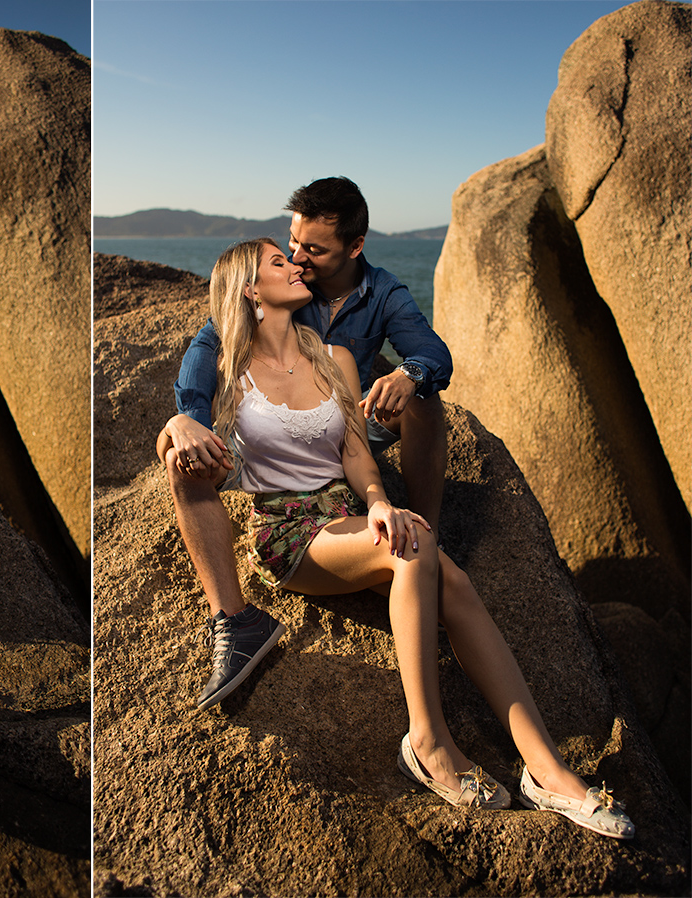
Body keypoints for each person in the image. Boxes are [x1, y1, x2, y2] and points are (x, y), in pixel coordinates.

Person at [157, 238, 634, 839]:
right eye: (279, 262)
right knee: (416, 549)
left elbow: (356, 454)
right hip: (289, 532)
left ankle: (547, 770)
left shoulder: (332, 356)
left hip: (349, 513)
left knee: (454, 585)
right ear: (251, 290)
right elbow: (180, 445)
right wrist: (177, 421)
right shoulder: (227, 365)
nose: (295, 264)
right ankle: (429, 743)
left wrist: (381, 501)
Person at [170, 176, 449, 708]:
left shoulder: (384, 292)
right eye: (292, 243)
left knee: (424, 398)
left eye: (313, 250)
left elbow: (432, 352)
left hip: (350, 422)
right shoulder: (283, 288)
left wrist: (407, 374)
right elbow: (207, 347)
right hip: (279, 438)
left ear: (355, 247)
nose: (298, 258)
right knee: (179, 452)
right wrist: (192, 419)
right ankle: (233, 620)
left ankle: (427, 533)